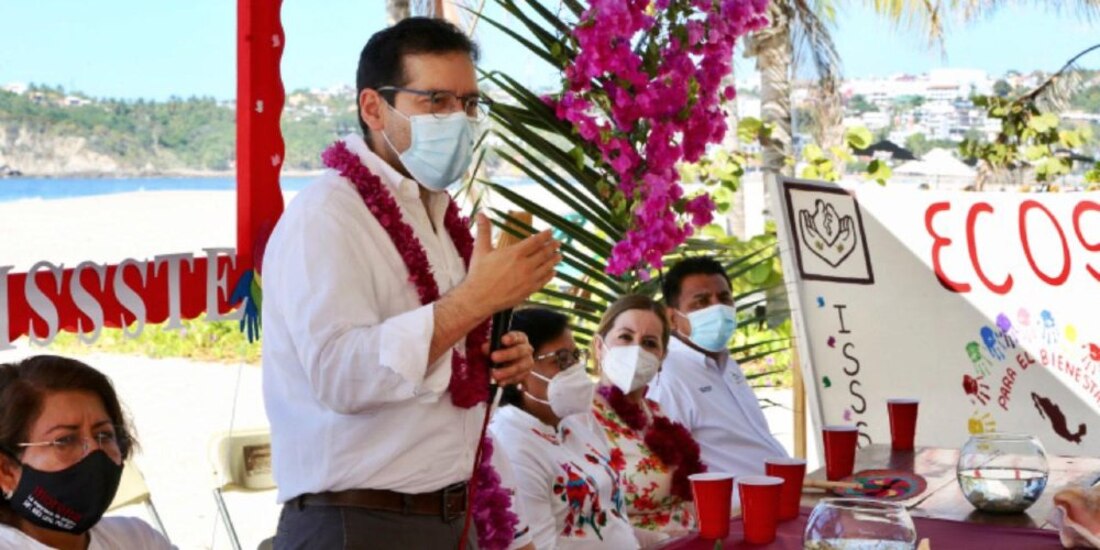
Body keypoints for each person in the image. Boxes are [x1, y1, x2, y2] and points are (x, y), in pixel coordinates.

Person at [261, 17, 557, 548]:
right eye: (436, 100)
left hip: (452, 514)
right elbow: (341, 377)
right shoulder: (327, 215)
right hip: (358, 521)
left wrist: (494, 355)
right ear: (374, 108)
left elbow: (446, 356)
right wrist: (475, 301)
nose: (459, 119)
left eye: (469, 103)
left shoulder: (438, 216)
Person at [490, 307, 640, 549]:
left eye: (575, 356)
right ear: (519, 371)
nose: (574, 369)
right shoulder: (512, 445)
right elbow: (540, 545)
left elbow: (613, 518)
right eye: (561, 360)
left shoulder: (577, 421)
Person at [0, 355, 173, 550]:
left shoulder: (137, 539)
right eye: (65, 440)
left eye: (104, 435)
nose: (95, 451)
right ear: (6, 471)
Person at [647, 257, 788, 484]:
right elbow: (667, 466)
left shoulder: (725, 362)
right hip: (737, 503)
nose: (717, 309)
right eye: (701, 302)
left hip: (777, 491)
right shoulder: (668, 376)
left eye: (724, 299)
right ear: (671, 318)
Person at [590, 295, 704, 537]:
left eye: (649, 343)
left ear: (661, 358)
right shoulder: (581, 415)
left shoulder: (655, 412)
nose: (636, 350)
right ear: (599, 347)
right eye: (625, 337)